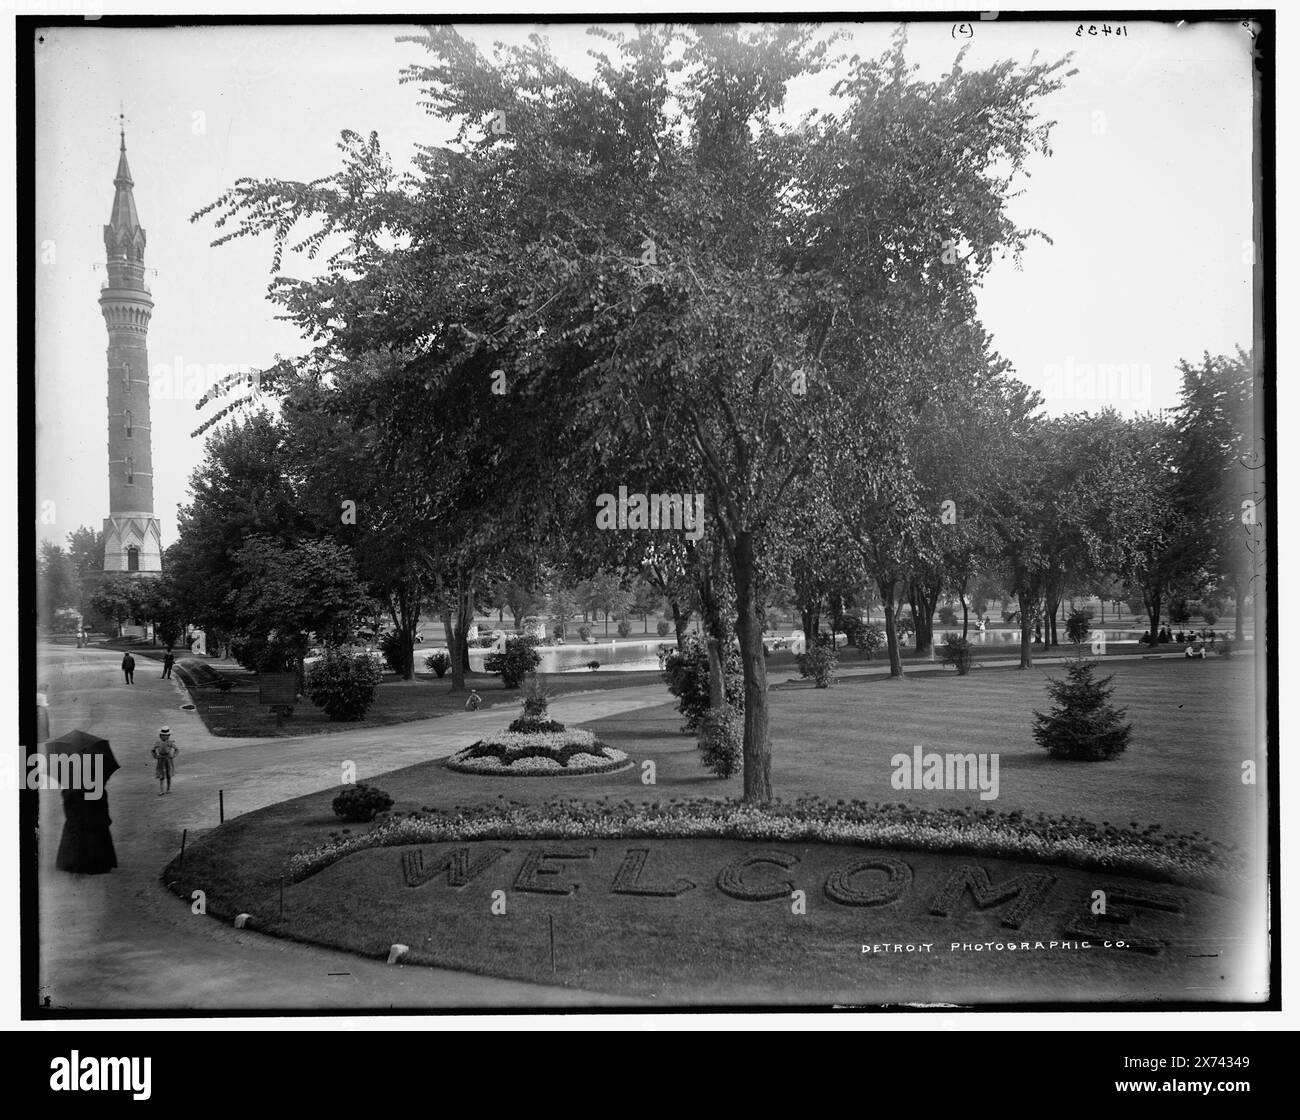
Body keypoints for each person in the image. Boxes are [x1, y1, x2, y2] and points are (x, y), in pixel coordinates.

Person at [150, 727, 178, 795]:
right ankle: (161, 790)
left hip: (168, 759)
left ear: (168, 736)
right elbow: (152, 750)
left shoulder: (170, 743)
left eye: (166, 735)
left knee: (168, 774)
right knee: (161, 775)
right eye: (162, 735)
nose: (164, 736)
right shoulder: (158, 743)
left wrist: (173, 755)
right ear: (160, 736)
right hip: (161, 760)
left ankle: (168, 789)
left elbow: (177, 749)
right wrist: (156, 756)